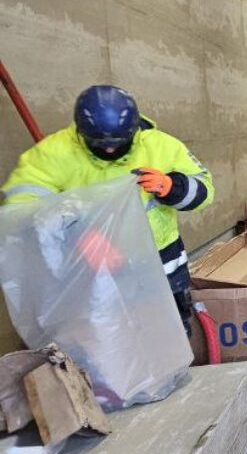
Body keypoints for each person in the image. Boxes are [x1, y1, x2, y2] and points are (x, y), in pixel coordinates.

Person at [1, 85, 213, 332]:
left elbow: (205, 190)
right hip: (92, 271)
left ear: (135, 129)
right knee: (110, 341)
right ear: (81, 131)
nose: (110, 149)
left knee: (171, 332)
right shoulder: (53, 155)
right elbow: (20, 210)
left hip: (161, 266)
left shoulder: (162, 147)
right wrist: (75, 234)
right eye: (99, 143)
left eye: (118, 142)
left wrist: (172, 186)